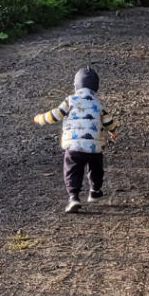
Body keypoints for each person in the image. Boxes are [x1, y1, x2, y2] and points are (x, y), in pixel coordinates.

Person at [32, 66, 118, 213]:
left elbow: (56, 115)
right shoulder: (98, 104)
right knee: (96, 168)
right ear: (96, 86)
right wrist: (112, 131)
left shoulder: (70, 101)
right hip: (94, 147)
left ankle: (73, 197)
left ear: (76, 85)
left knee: (72, 170)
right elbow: (109, 122)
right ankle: (95, 190)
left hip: (74, 146)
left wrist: (41, 118)